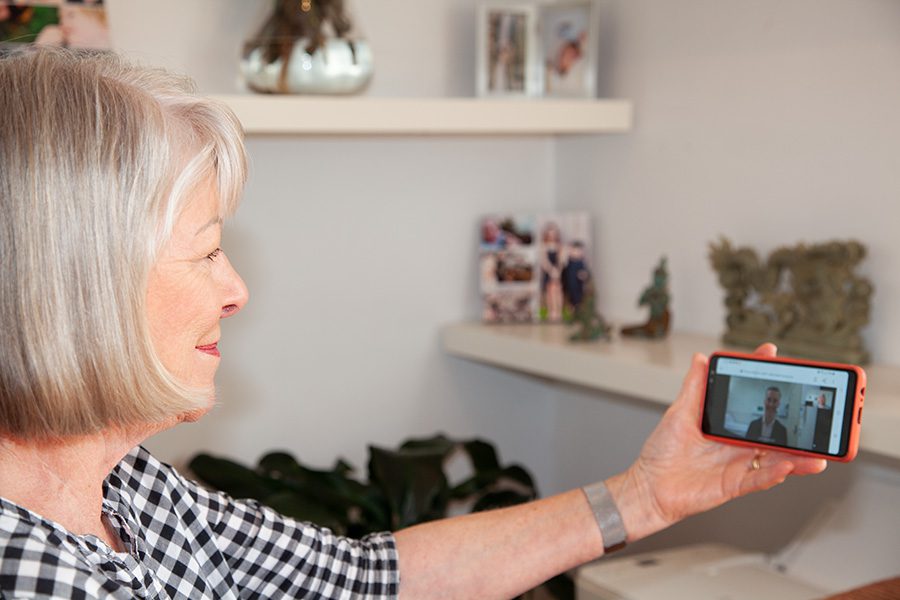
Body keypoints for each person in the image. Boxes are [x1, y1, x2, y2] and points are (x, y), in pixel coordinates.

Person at [0, 47, 827, 599]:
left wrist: (646, 498)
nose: (236, 290)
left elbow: (366, 580)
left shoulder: (124, 485)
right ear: (81, 285)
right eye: (207, 253)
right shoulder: (35, 572)